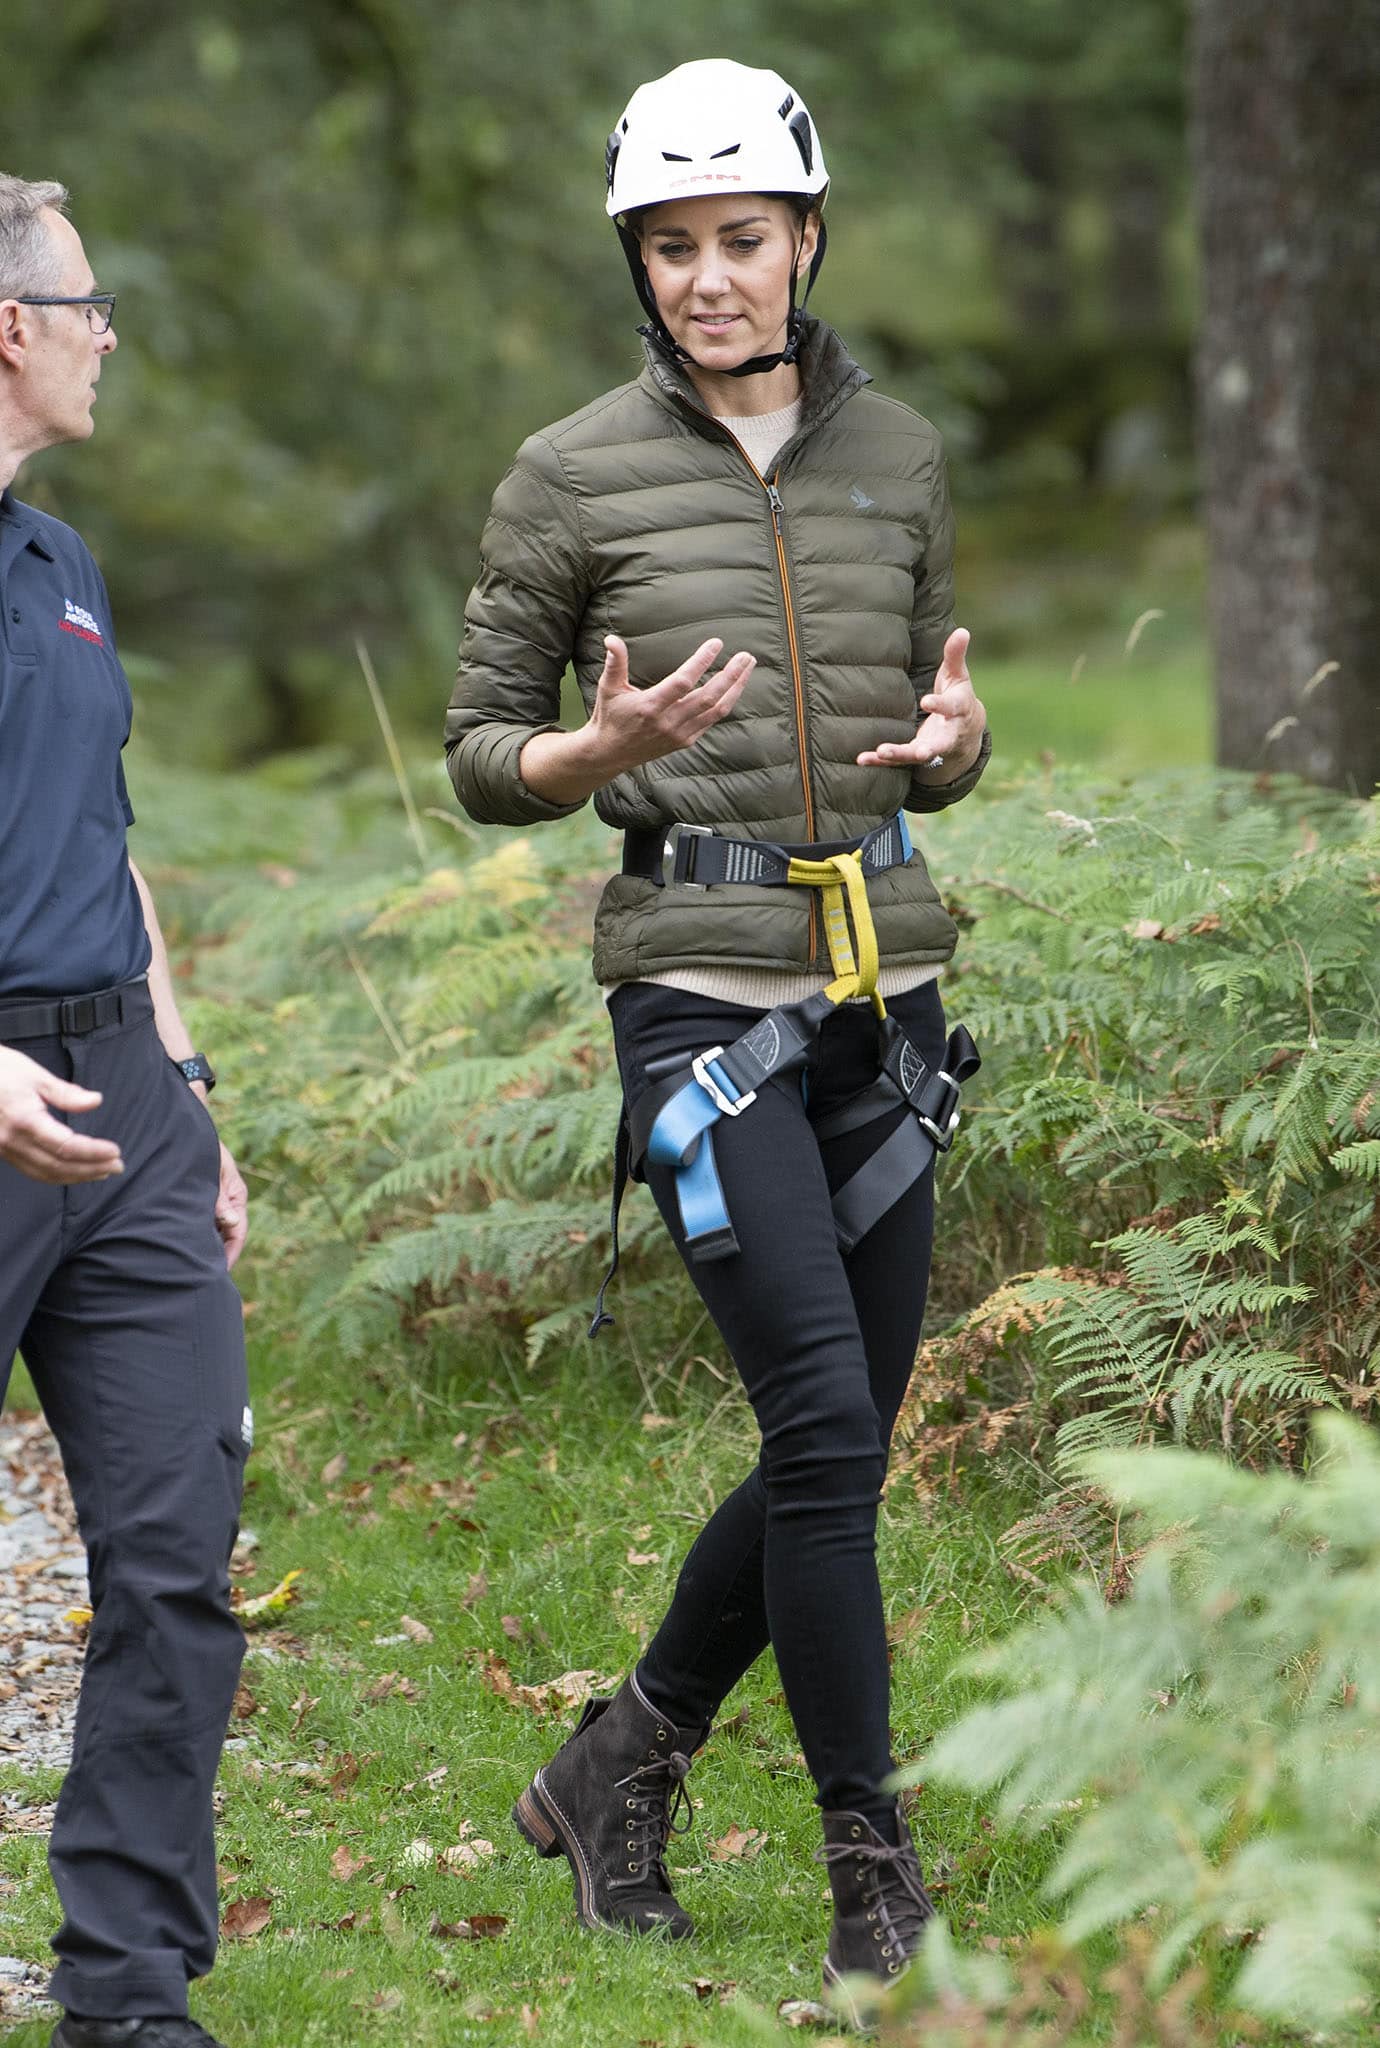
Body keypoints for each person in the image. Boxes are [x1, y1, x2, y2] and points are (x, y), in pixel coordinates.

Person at [444, 61, 989, 2020]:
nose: (707, 279)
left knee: (833, 1449)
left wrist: (961, 746)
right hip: (697, 1001)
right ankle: (877, 1877)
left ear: (807, 239)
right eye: (671, 248)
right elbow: (480, 748)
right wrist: (588, 755)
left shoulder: (905, 457)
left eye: (739, 239)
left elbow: (942, 706)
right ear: (640, 264)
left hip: (887, 995)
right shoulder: (569, 472)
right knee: (828, 1431)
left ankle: (623, 1765)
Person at [0, 175, 249, 2048]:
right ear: (12, 326)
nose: (107, 337)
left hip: (123, 1105)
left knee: (173, 1552)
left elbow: (114, 848)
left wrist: (188, 1085)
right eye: (87, 306)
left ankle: (128, 1992)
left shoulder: (63, 565)